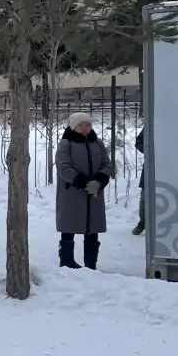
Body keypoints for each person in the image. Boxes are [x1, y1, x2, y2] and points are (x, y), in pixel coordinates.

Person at [55, 112, 114, 270]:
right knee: (69, 226)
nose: (84, 128)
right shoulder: (66, 143)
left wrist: (99, 181)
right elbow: (63, 167)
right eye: (80, 125)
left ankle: (91, 263)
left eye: (88, 125)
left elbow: (107, 164)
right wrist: (84, 183)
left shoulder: (98, 143)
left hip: (94, 193)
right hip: (72, 192)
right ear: (73, 126)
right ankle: (67, 261)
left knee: (92, 228)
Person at [133, 126, 146, 236]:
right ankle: (143, 222)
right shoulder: (153, 123)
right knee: (145, 197)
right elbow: (139, 141)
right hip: (152, 165)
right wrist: (148, 149)